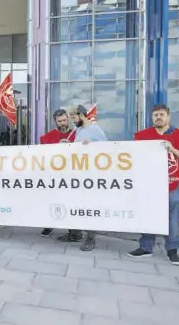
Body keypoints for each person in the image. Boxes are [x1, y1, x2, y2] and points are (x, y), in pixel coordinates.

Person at [128, 104, 179, 266]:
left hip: (172, 184)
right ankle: (146, 247)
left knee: (171, 220)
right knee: (148, 215)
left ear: (168, 116)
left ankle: (172, 250)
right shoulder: (142, 135)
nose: (158, 117)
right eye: (155, 115)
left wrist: (172, 149)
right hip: (149, 184)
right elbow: (132, 156)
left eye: (161, 114)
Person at [69, 105, 107, 251]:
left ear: (82, 115)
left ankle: (90, 238)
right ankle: (76, 233)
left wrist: (92, 145)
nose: (73, 121)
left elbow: (106, 148)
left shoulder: (94, 129)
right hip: (80, 173)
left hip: (91, 174)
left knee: (90, 206)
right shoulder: (79, 130)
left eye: (74, 117)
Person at [39, 109, 77, 238]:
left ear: (68, 119)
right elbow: (42, 154)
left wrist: (71, 146)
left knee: (71, 201)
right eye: (59, 121)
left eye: (64, 120)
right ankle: (48, 225)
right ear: (55, 122)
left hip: (71, 175)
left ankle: (73, 231)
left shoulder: (76, 134)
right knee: (50, 200)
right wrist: (57, 146)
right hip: (53, 175)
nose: (62, 123)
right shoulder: (48, 136)